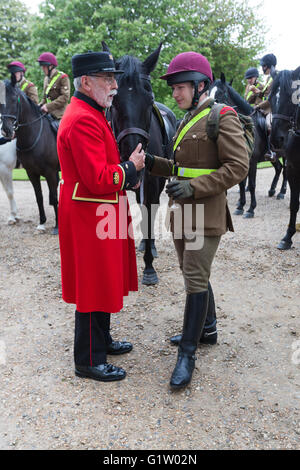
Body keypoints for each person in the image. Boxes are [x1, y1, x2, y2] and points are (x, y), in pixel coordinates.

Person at [145, 51, 249, 389]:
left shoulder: (223, 116)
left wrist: (194, 188)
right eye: (173, 88)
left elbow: (238, 167)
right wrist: (150, 163)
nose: (174, 93)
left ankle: (187, 354)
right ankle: (208, 330)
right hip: (183, 211)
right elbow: (180, 169)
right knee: (196, 274)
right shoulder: (187, 119)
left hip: (205, 213)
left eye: (179, 87)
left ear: (201, 84)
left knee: (193, 277)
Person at [57, 51, 145, 383]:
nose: (114, 85)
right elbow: (97, 178)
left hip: (95, 208)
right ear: (85, 82)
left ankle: (102, 341)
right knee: (92, 283)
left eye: (114, 78)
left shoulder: (92, 111)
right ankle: (88, 361)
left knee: (102, 278)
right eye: (107, 79)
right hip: (88, 210)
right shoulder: (82, 118)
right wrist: (130, 168)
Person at [255, 53, 277, 160]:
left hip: (272, 108)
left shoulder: (274, 77)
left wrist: (258, 106)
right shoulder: (268, 79)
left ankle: (272, 151)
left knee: (268, 124)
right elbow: (264, 94)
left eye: (263, 66)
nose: (262, 68)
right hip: (264, 109)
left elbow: (270, 98)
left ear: (268, 65)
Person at [37, 52, 70, 121]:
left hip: (60, 115)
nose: (42, 69)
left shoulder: (62, 77)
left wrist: (48, 106)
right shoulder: (46, 79)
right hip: (47, 113)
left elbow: (65, 97)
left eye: (44, 66)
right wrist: (39, 105)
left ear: (50, 66)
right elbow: (45, 98)